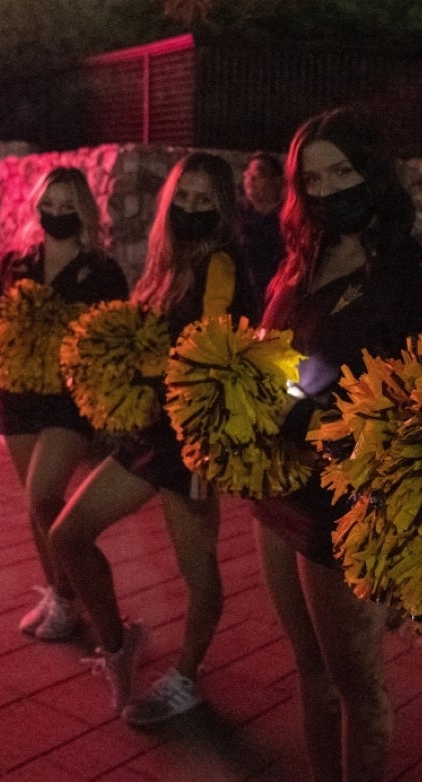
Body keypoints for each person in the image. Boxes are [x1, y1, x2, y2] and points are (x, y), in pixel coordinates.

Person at [251, 108, 422, 782]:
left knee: (358, 685)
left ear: (374, 172)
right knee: (310, 672)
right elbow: (280, 359)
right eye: (312, 179)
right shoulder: (301, 262)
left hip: (347, 508)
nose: (329, 189)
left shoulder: (411, 278)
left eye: (342, 170)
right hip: (280, 493)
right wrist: (259, 400)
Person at [49, 152, 255, 723]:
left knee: (199, 571)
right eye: (182, 198)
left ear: (223, 208)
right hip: (150, 433)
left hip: (188, 441)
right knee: (68, 534)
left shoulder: (220, 265)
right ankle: (119, 646)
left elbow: (209, 352)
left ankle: (187, 677)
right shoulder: (167, 261)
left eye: (204, 200)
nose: (191, 208)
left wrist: (143, 366)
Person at [0, 166, 128, 641]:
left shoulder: (102, 270)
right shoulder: (15, 262)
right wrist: (15, 332)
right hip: (18, 397)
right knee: (36, 506)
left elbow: (117, 335)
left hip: (69, 402)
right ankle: (62, 597)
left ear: (84, 210)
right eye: (48, 206)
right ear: (37, 207)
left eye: (67, 207)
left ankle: (75, 597)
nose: (56, 214)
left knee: (42, 494)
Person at [238, 151, 286, 313]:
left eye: (258, 174)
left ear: (277, 181)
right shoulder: (235, 215)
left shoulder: (288, 218)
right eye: (247, 174)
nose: (250, 179)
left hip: (276, 299)